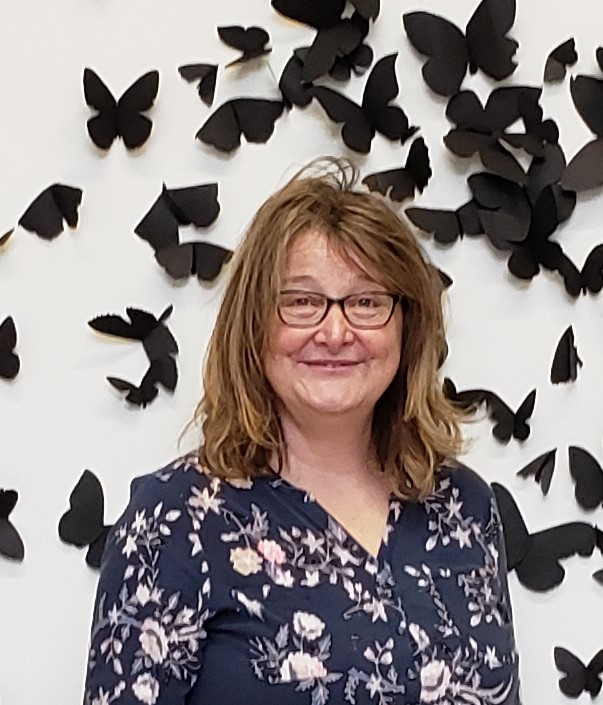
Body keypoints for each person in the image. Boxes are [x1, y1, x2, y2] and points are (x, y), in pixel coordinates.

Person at [83, 159, 522, 705]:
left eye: (367, 302)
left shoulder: (463, 507)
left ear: (407, 326)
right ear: (253, 324)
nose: (335, 332)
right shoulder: (176, 521)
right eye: (301, 302)